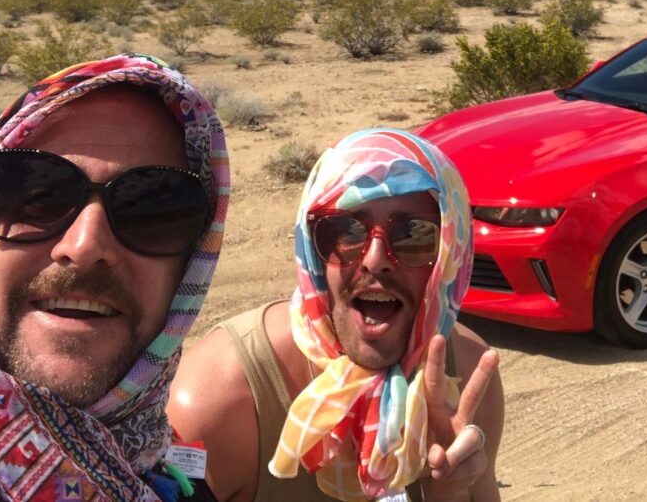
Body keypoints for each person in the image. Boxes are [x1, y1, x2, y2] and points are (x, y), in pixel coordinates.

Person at [0, 54, 230, 502]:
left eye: (152, 209)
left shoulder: (163, 472)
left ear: (189, 271)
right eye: (38, 198)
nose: (84, 246)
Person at [169, 128, 504, 502]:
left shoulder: (471, 377)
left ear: (449, 256)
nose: (375, 259)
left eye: (415, 235)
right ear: (312, 251)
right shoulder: (221, 401)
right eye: (346, 231)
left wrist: (446, 491)